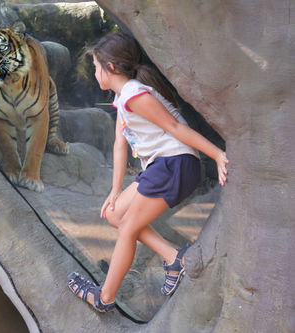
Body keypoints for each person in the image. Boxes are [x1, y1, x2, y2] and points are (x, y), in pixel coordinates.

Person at [67, 31, 229, 312]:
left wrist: (217, 154)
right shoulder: (123, 96)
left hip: (175, 164)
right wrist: (115, 190)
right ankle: (173, 258)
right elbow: (119, 144)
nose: (94, 72)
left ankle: (104, 298)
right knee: (115, 213)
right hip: (163, 166)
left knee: (128, 227)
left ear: (111, 67)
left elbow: (176, 129)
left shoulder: (134, 94)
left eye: (96, 66)